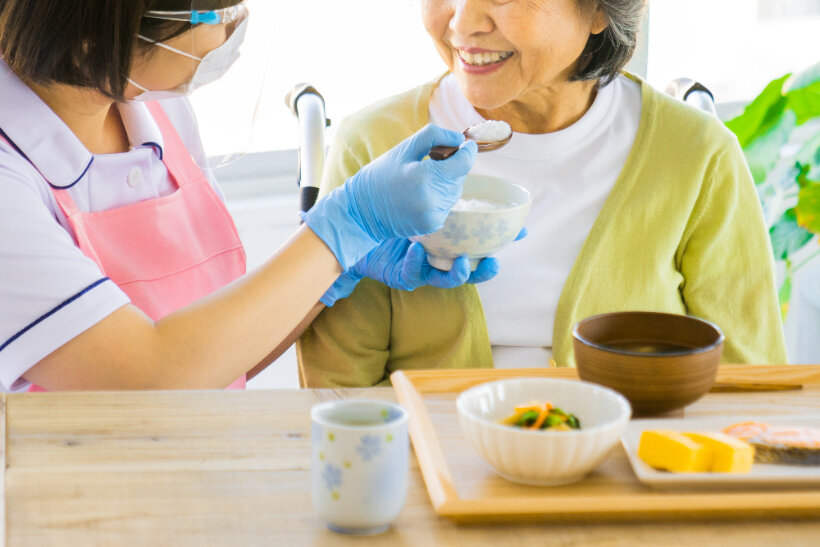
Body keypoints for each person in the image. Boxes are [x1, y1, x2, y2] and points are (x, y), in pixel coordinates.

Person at [0, 0, 500, 392]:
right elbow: (152, 375)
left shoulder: (155, 109)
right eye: (216, 11)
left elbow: (214, 358)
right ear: (104, 22)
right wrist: (346, 225)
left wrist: (338, 270)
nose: (234, 25)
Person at [298, 0, 788, 387]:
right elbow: (340, 390)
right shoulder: (374, 145)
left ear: (599, 9)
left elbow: (750, 382)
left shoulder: (698, 155)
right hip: (430, 471)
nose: (463, 22)